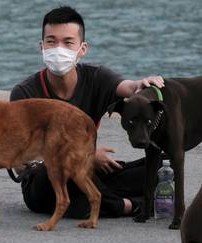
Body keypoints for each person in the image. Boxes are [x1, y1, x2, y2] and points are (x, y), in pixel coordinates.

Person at [10, 6, 164, 218]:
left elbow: (127, 87)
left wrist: (144, 84)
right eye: (51, 41)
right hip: (43, 181)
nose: (58, 48)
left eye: (68, 42)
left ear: (82, 49)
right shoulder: (25, 93)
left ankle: (91, 201)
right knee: (67, 167)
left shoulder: (96, 77)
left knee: (161, 166)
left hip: (85, 174)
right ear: (42, 46)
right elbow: (19, 163)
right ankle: (128, 205)